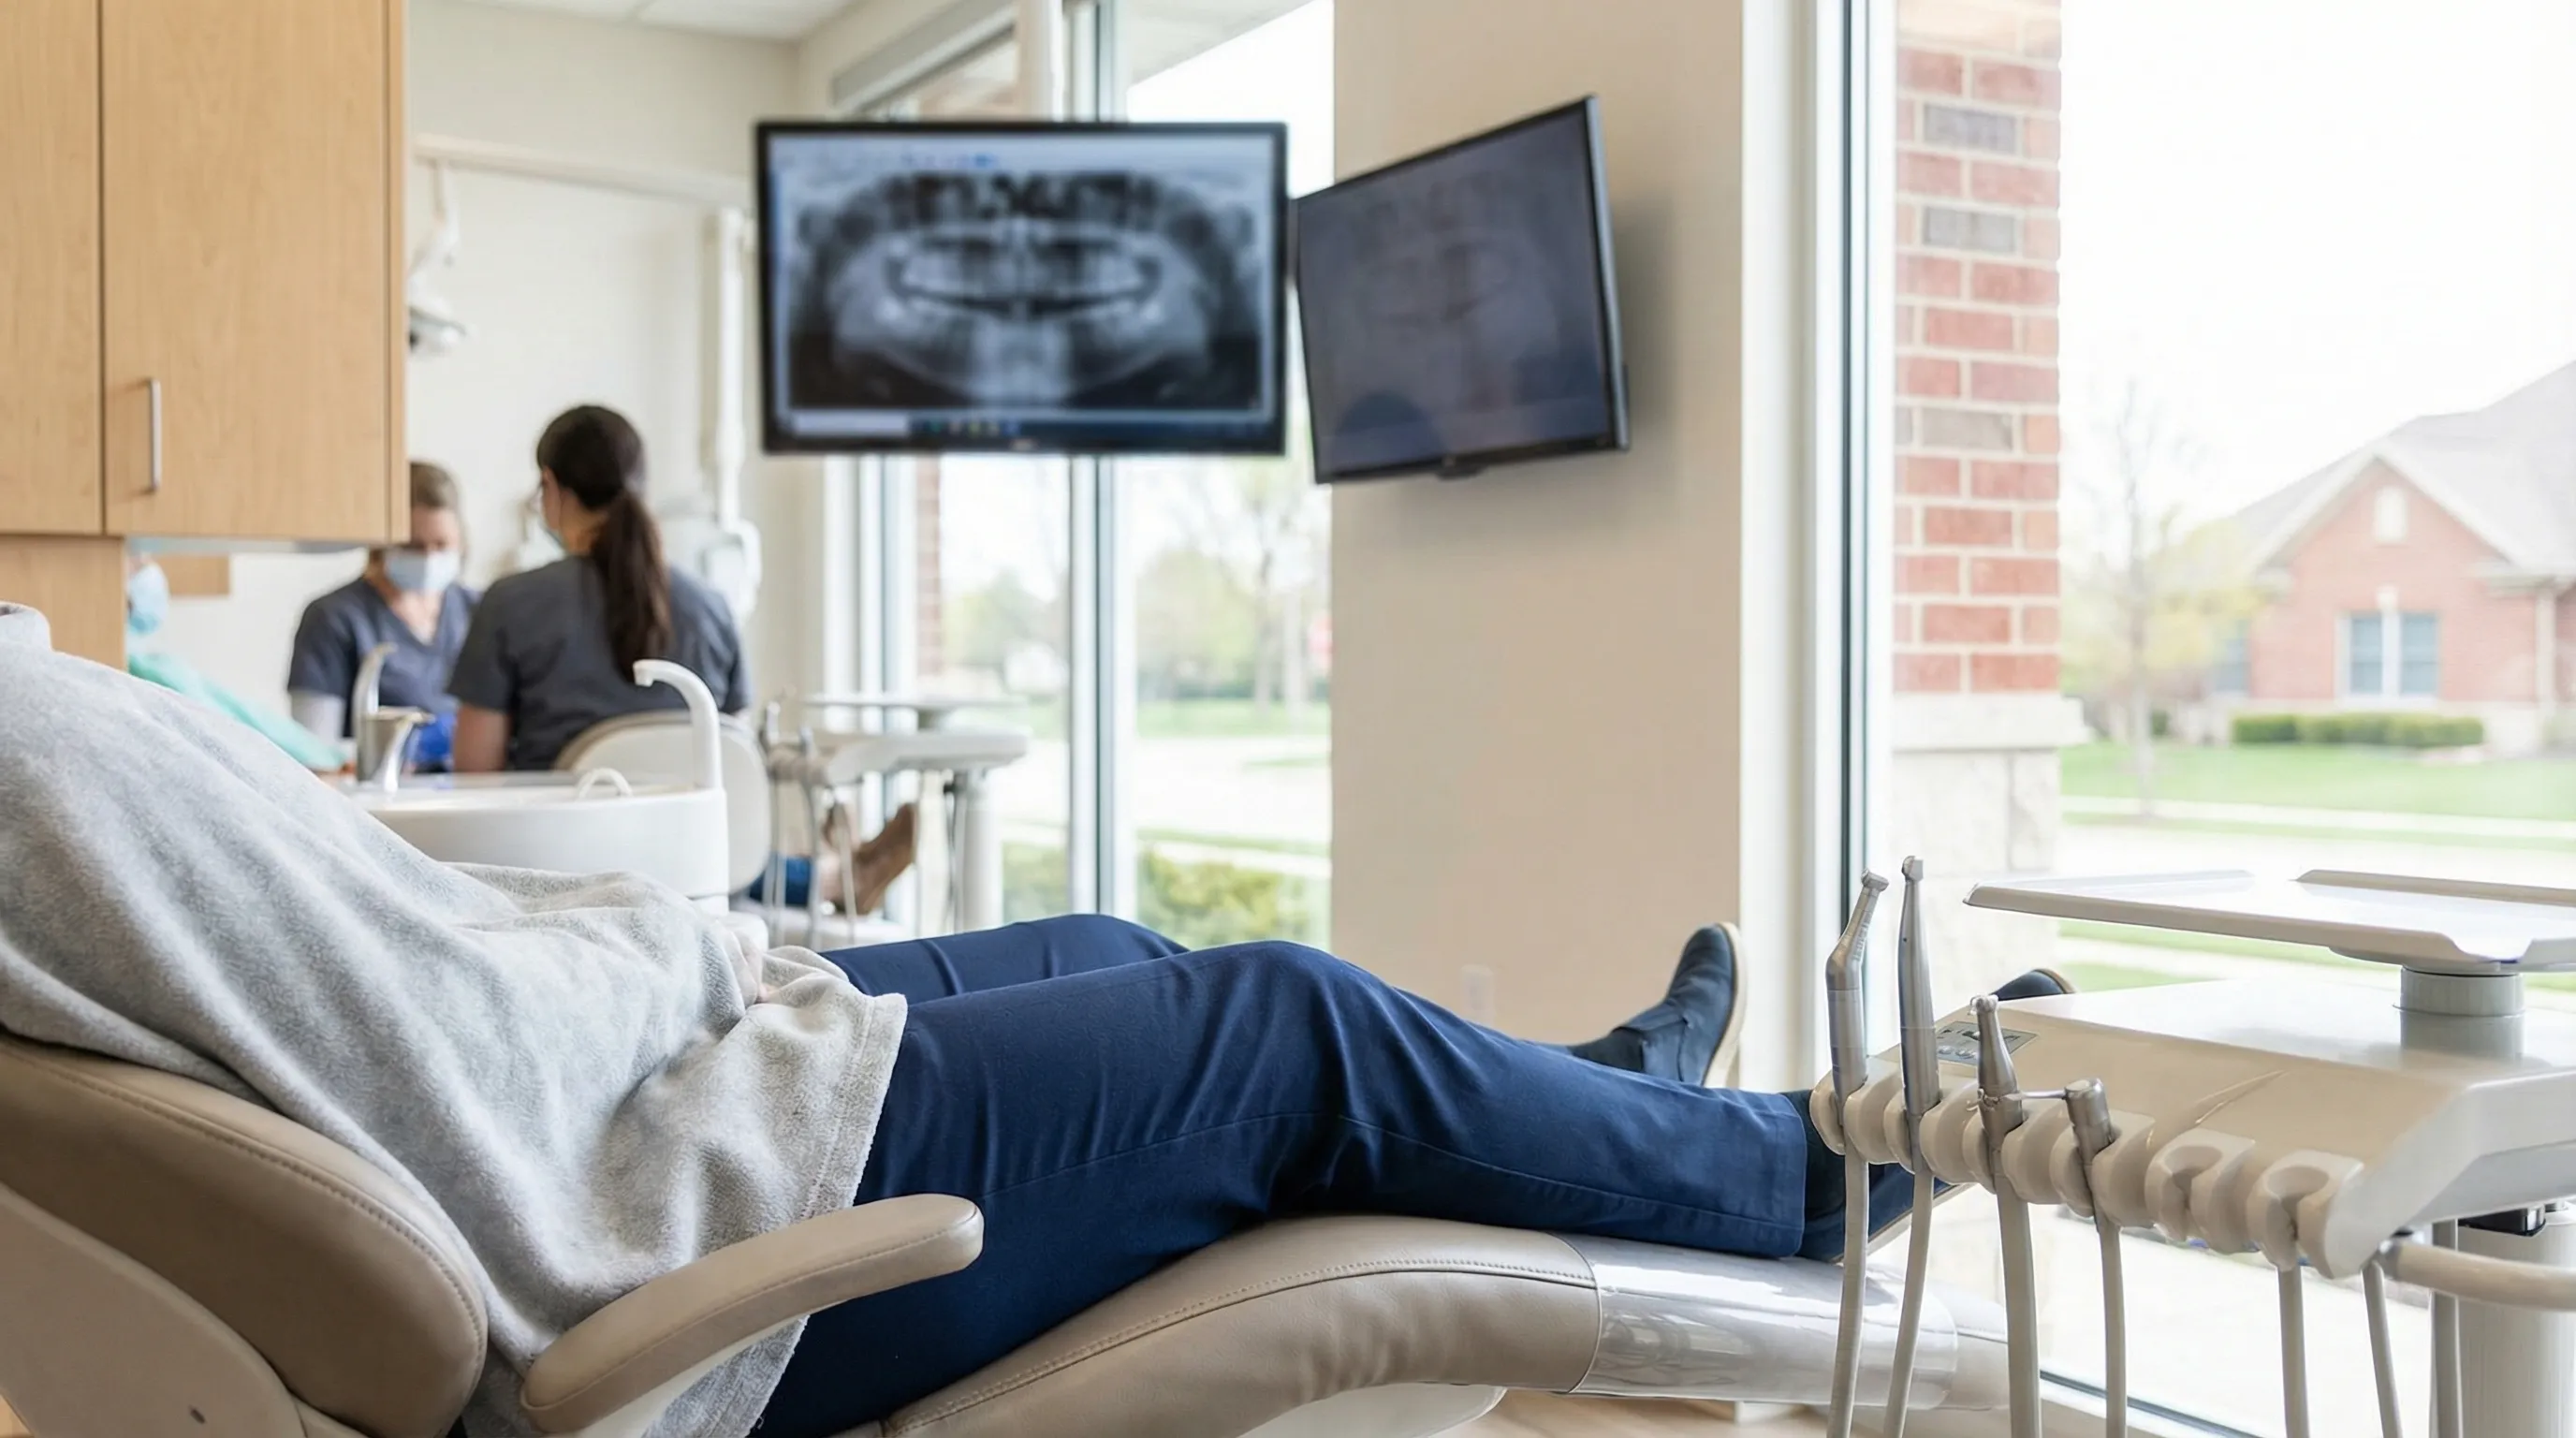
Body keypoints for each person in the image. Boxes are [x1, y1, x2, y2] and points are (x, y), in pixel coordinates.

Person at [0, 600, 2060, 1438]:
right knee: (1281, 1029)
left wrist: (695, 947)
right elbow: (435, 1070)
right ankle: (1801, 1175)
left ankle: (1594, 1105)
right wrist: (683, 955)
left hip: (639, 1067)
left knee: (1100, 934)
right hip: (652, 1196)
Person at [448, 404, 911, 910]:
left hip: (556, 872)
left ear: (551, 488)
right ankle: (831, 874)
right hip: (688, 871)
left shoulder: (509, 604)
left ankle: (831, 872)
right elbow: (729, 761)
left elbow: (478, 773)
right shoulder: (713, 606)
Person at [287, 461, 479, 770]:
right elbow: (313, 752)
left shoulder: (479, 611)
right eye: (413, 545)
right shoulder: (333, 618)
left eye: (442, 545)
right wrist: (400, 749)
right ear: (381, 543)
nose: (430, 558)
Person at [120, 555, 344, 774]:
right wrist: (321, 756)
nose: (148, 567)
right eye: (137, 560)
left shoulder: (147, 663)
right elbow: (243, 726)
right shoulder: (147, 670)